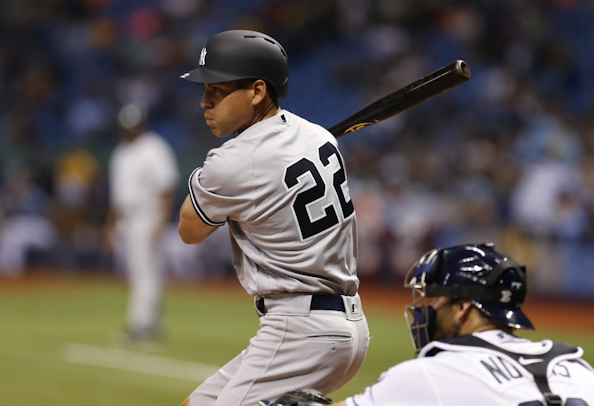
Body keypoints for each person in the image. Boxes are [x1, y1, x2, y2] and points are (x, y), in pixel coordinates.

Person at [177, 29, 370, 406]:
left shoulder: (235, 160)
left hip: (300, 329)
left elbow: (189, 230)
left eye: (216, 90)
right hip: (341, 324)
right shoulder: (318, 136)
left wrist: (210, 177)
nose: (204, 102)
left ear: (257, 91)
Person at [261, 242, 594, 406]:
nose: (427, 309)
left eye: (435, 299)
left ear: (463, 308)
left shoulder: (434, 373)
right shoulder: (575, 365)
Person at [104, 103, 180, 345]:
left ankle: (144, 325)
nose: (129, 129)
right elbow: (117, 196)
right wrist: (110, 225)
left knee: (147, 273)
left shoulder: (154, 148)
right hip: (126, 218)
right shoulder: (121, 152)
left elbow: (166, 188)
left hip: (148, 216)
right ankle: (146, 324)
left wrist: (160, 221)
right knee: (137, 273)